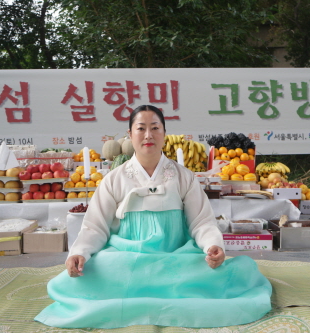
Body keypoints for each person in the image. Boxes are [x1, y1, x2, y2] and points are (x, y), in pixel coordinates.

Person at [35, 105, 272, 329]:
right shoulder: (114, 179)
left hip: (175, 258)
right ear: (130, 134)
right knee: (89, 272)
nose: (148, 134)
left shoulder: (184, 177)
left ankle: (141, 293)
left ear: (164, 133)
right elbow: (96, 226)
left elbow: (201, 222)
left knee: (236, 271)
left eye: (155, 128)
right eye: (141, 128)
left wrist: (212, 246)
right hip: (127, 259)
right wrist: (80, 253)